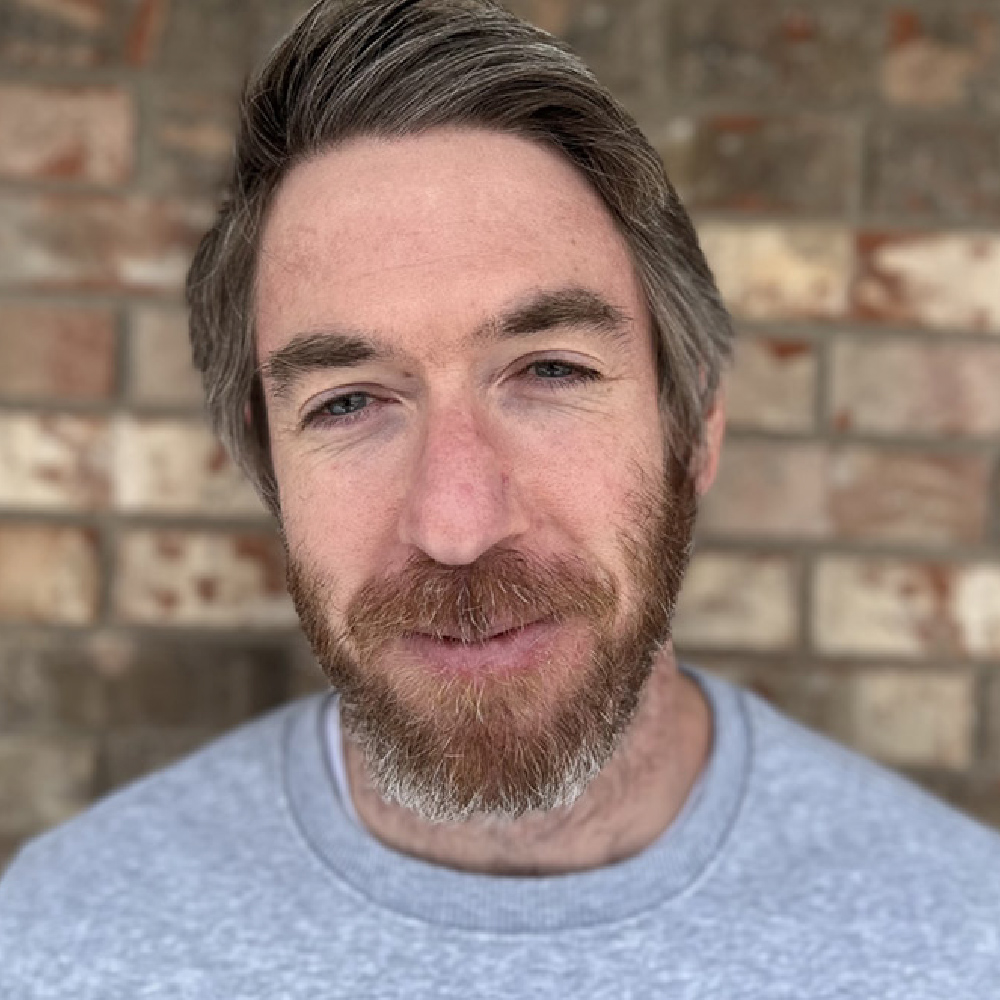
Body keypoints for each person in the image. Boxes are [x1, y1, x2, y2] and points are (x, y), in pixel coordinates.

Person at [1, 1, 998, 996]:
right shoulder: (65, 941)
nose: (457, 526)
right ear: (268, 468)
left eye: (551, 370)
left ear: (693, 426)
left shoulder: (960, 944)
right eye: (348, 401)